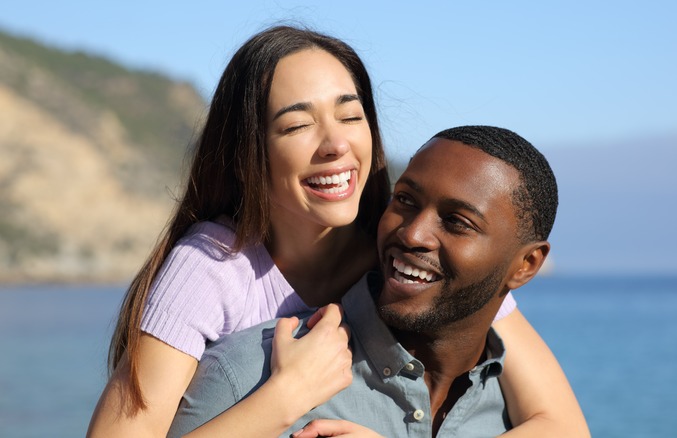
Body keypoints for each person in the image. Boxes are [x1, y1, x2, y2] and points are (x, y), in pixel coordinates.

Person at [88, 26, 586, 438]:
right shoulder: (214, 266)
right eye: (296, 126)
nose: (335, 144)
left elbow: (561, 424)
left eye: (351, 115)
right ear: (249, 153)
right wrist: (287, 395)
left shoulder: (406, 251)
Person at [169, 125, 589, 438]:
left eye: (457, 222)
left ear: (526, 265)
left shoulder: (517, 413)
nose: (411, 234)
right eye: (404, 200)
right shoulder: (248, 376)